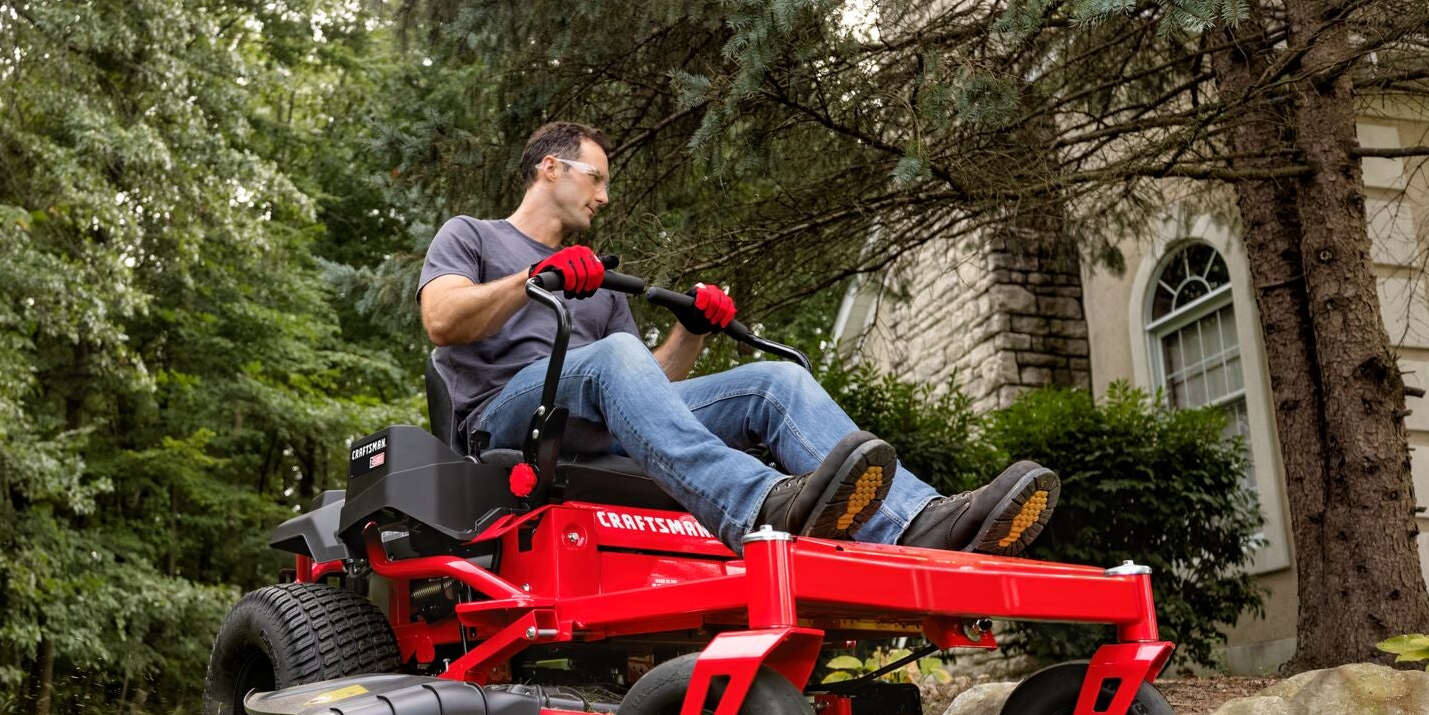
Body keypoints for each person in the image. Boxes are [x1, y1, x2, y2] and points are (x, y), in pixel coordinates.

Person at [417, 119, 1061, 556]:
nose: (604, 197)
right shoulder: (473, 235)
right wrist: (535, 279)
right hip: (507, 417)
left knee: (773, 382)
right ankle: (758, 508)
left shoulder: (600, 279)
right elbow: (442, 319)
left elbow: (649, 390)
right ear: (551, 168)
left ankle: (920, 523)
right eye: (597, 177)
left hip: (594, 411)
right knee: (609, 355)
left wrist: (690, 332)